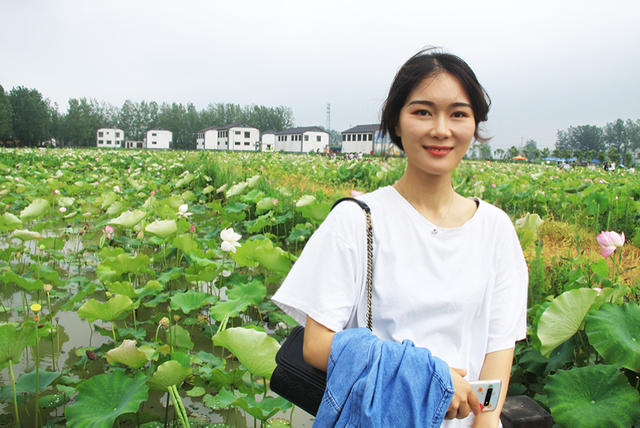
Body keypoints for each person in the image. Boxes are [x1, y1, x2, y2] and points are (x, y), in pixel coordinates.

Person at [273, 48, 528, 428]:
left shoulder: (496, 228)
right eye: (423, 111)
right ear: (396, 122)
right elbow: (315, 346)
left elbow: (498, 345)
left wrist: (486, 420)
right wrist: (428, 379)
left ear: (474, 125)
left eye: (458, 113)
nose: (441, 129)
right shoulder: (356, 221)